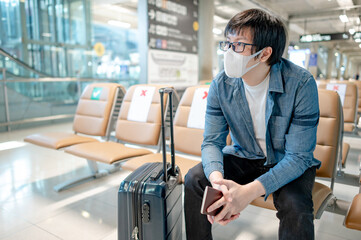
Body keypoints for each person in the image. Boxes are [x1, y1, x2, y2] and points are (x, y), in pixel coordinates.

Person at [184, 8, 320, 240]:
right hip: (244, 155)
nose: (229, 51)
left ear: (264, 53)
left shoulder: (301, 84)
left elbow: (298, 156)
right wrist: (217, 180)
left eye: (238, 45)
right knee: (196, 179)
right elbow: (211, 141)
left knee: (295, 204)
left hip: (286, 160)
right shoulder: (221, 85)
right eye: (227, 43)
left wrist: (247, 192)